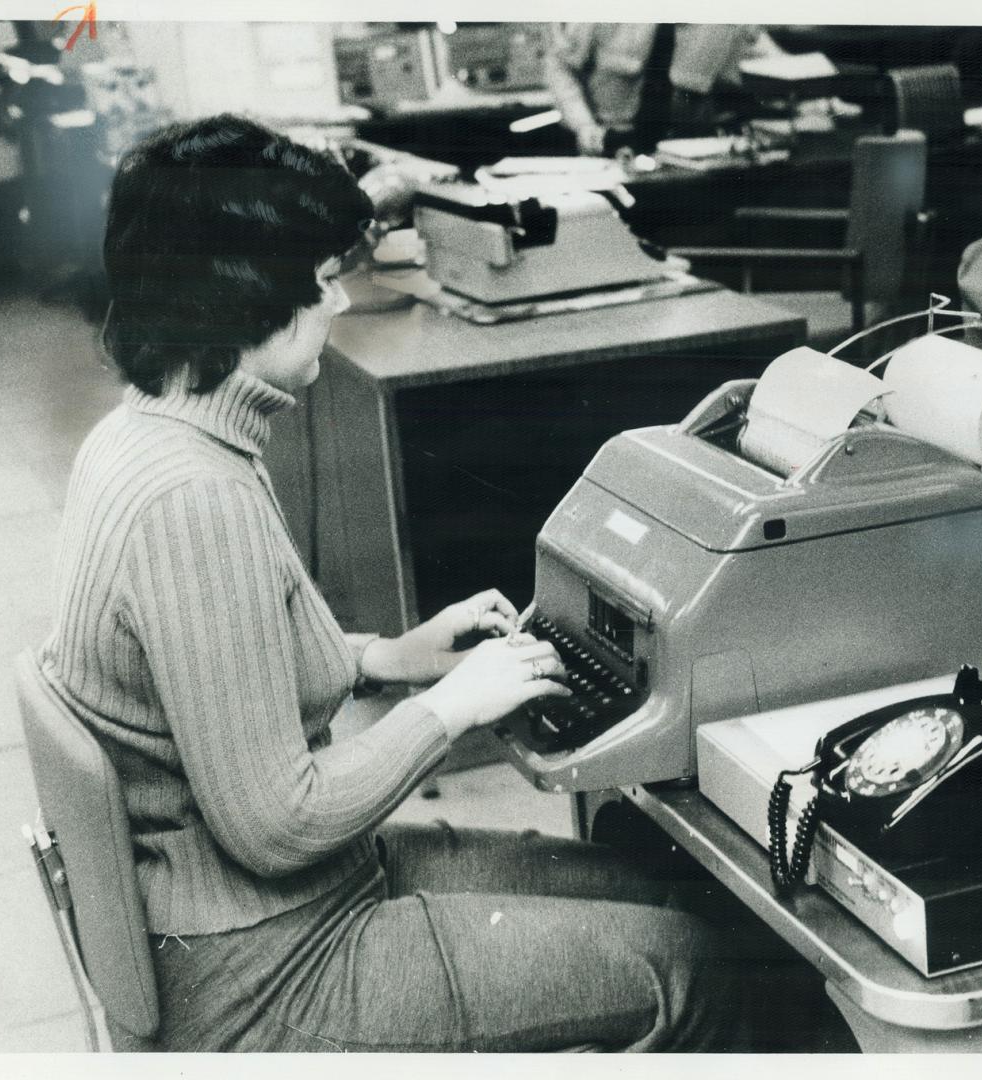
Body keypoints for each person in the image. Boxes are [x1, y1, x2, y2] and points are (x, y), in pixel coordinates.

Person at [38, 113, 741, 1052]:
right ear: (241, 296)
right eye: (323, 281)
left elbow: (217, 674)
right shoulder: (194, 500)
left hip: (271, 908)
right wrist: (452, 706)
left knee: (652, 892)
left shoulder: (146, 433)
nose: (337, 304)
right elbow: (277, 824)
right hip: (263, 973)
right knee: (693, 968)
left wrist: (386, 657)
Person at [544, 23, 779, 155]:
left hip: (690, 149)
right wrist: (583, 125)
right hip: (609, 142)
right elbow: (560, 65)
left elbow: (781, 66)